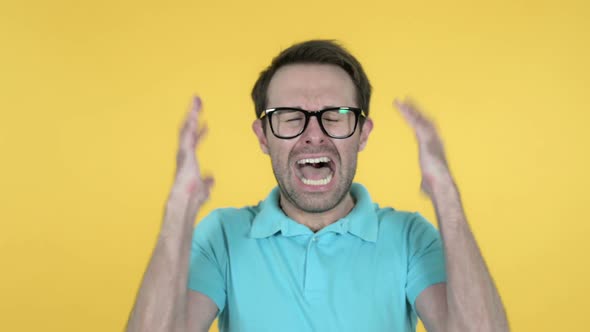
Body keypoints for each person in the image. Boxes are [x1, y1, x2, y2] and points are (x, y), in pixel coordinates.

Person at [126, 40, 509, 332]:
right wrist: (178, 212)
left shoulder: (409, 237)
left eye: (335, 116)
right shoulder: (223, 236)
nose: (313, 135)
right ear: (263, 137)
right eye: (291, 117)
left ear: (361, 134)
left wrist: (447, 199)